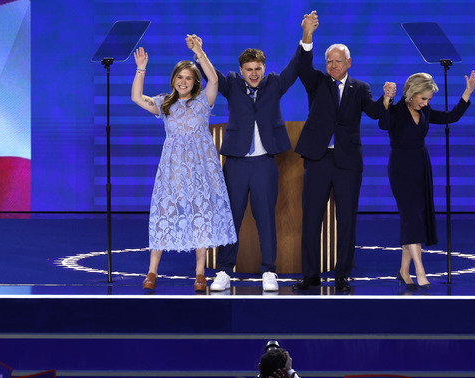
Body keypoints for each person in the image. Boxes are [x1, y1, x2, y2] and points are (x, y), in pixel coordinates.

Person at [188, 26, 304, 293]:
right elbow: (211, 75)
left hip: (264, 163)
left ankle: (268, 271)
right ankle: (225, 271)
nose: (253, 73)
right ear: (241, 71)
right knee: (231, 219)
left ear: (264, 69)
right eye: (249, 69)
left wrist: (305, 39)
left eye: (258, 68)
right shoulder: (230, 83)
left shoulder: (275, 83)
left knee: (266, 218)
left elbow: (295, 67)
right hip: (237, 163)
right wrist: (199, 52)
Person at [131, 36, 236, 293]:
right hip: (173, 170)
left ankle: (200, 274)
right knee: (163, 216)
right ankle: (152, 271)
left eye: (189, 78)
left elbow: (215, 80)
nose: (184, 82)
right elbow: (136, 97)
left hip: (202, 169)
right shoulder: (165, 104)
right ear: (173, 80)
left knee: (200, 218)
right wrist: (141, 69)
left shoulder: (203, 102)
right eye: (180, 77)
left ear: (194, 81)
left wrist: (199, 51)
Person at [293, 11, 385, 292]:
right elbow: (302, 66)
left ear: (349, 63)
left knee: (347, 220)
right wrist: (308, 34)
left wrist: (388, 99)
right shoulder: (317, 82)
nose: (332, 65)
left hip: (347, 163)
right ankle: (310, 275)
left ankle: (342, 274)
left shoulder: (361, 88)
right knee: (311, 218)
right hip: (318, 159)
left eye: (338, 61)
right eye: (329, 61)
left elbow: (375, 114)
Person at [378, 70, 475, 290]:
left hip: (421, 166)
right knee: (411, 218)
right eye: (423, 98)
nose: (425, 103)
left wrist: (467, 92)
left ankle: (404, 271)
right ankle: (420, 271)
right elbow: (383, 124)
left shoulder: (426, 111)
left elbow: (451, 117)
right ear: (412, 94)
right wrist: (386, 98)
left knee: (414, 219)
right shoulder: (395, 110)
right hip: (401, 168)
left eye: (428, 99)